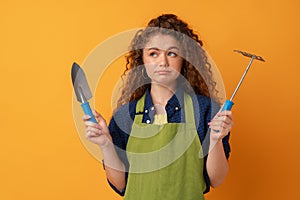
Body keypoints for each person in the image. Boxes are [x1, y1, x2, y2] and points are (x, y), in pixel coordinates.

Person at [83, 14, 233, 200]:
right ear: (142, 59)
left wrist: (215, 140)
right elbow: (121, 185)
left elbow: (216, 179)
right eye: (153, 53)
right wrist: (105, 144)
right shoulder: (125, 115)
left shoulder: (205, 110)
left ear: (184, 59)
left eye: (172, 53)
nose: (163, 62)